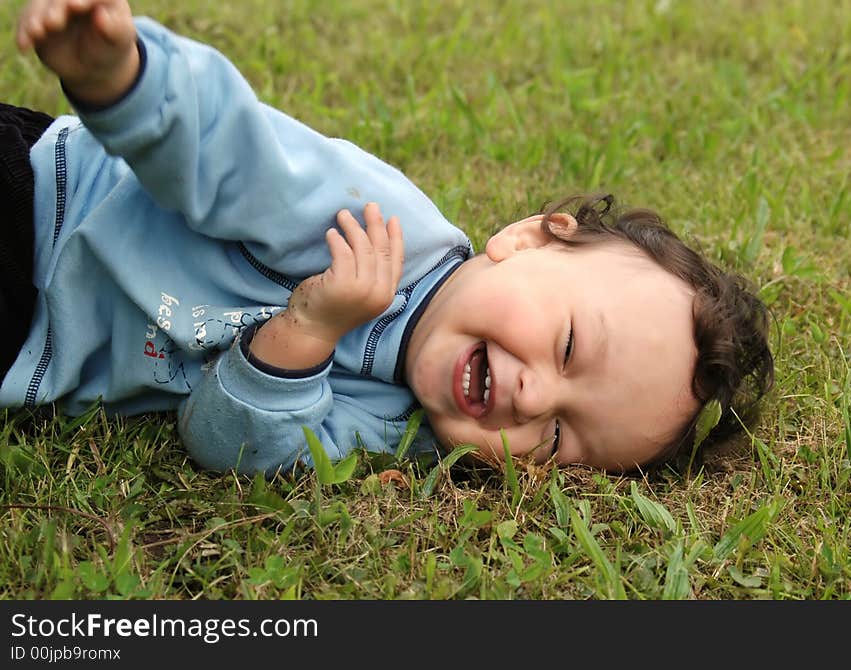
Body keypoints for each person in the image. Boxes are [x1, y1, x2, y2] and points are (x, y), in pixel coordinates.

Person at [4, 0, 773, 476]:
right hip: (47, 202)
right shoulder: (380, 225)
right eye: (569, 347)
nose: (534, 398)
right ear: (530, 240)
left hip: (26, 351)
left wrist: (307, 333)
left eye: (561, 437)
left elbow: (225, 444)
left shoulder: (399, 437)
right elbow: (228, 157)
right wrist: (126, 80)